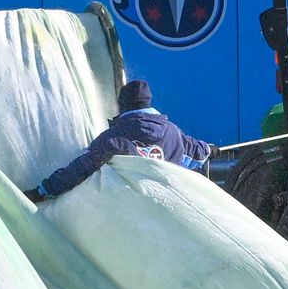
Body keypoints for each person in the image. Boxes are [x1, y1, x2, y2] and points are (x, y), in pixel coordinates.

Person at [27, 79, 215, 203]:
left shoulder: (113, 139)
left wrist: (42, 190)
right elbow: (198, 152)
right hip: (167, 209)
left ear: (122, 105)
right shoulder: (173, 133)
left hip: (129, 214)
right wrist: (211, 150)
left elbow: (78, 170)